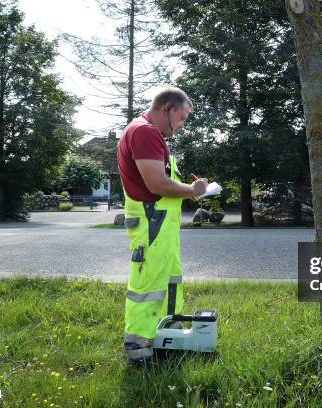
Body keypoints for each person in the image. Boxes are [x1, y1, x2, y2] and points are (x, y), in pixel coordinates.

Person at [116, 86, 207, 364]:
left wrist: (191, 188)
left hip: (159, 223)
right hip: (151, 222)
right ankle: (139, 348)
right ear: (167, 107)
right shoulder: (144, 132)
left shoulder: (148, 133)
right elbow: (157, 184)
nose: (181, 126)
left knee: (168, 279)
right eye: (181, 118)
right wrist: (193, 190)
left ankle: (167, 333)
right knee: (148, 284)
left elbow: (161, 183)